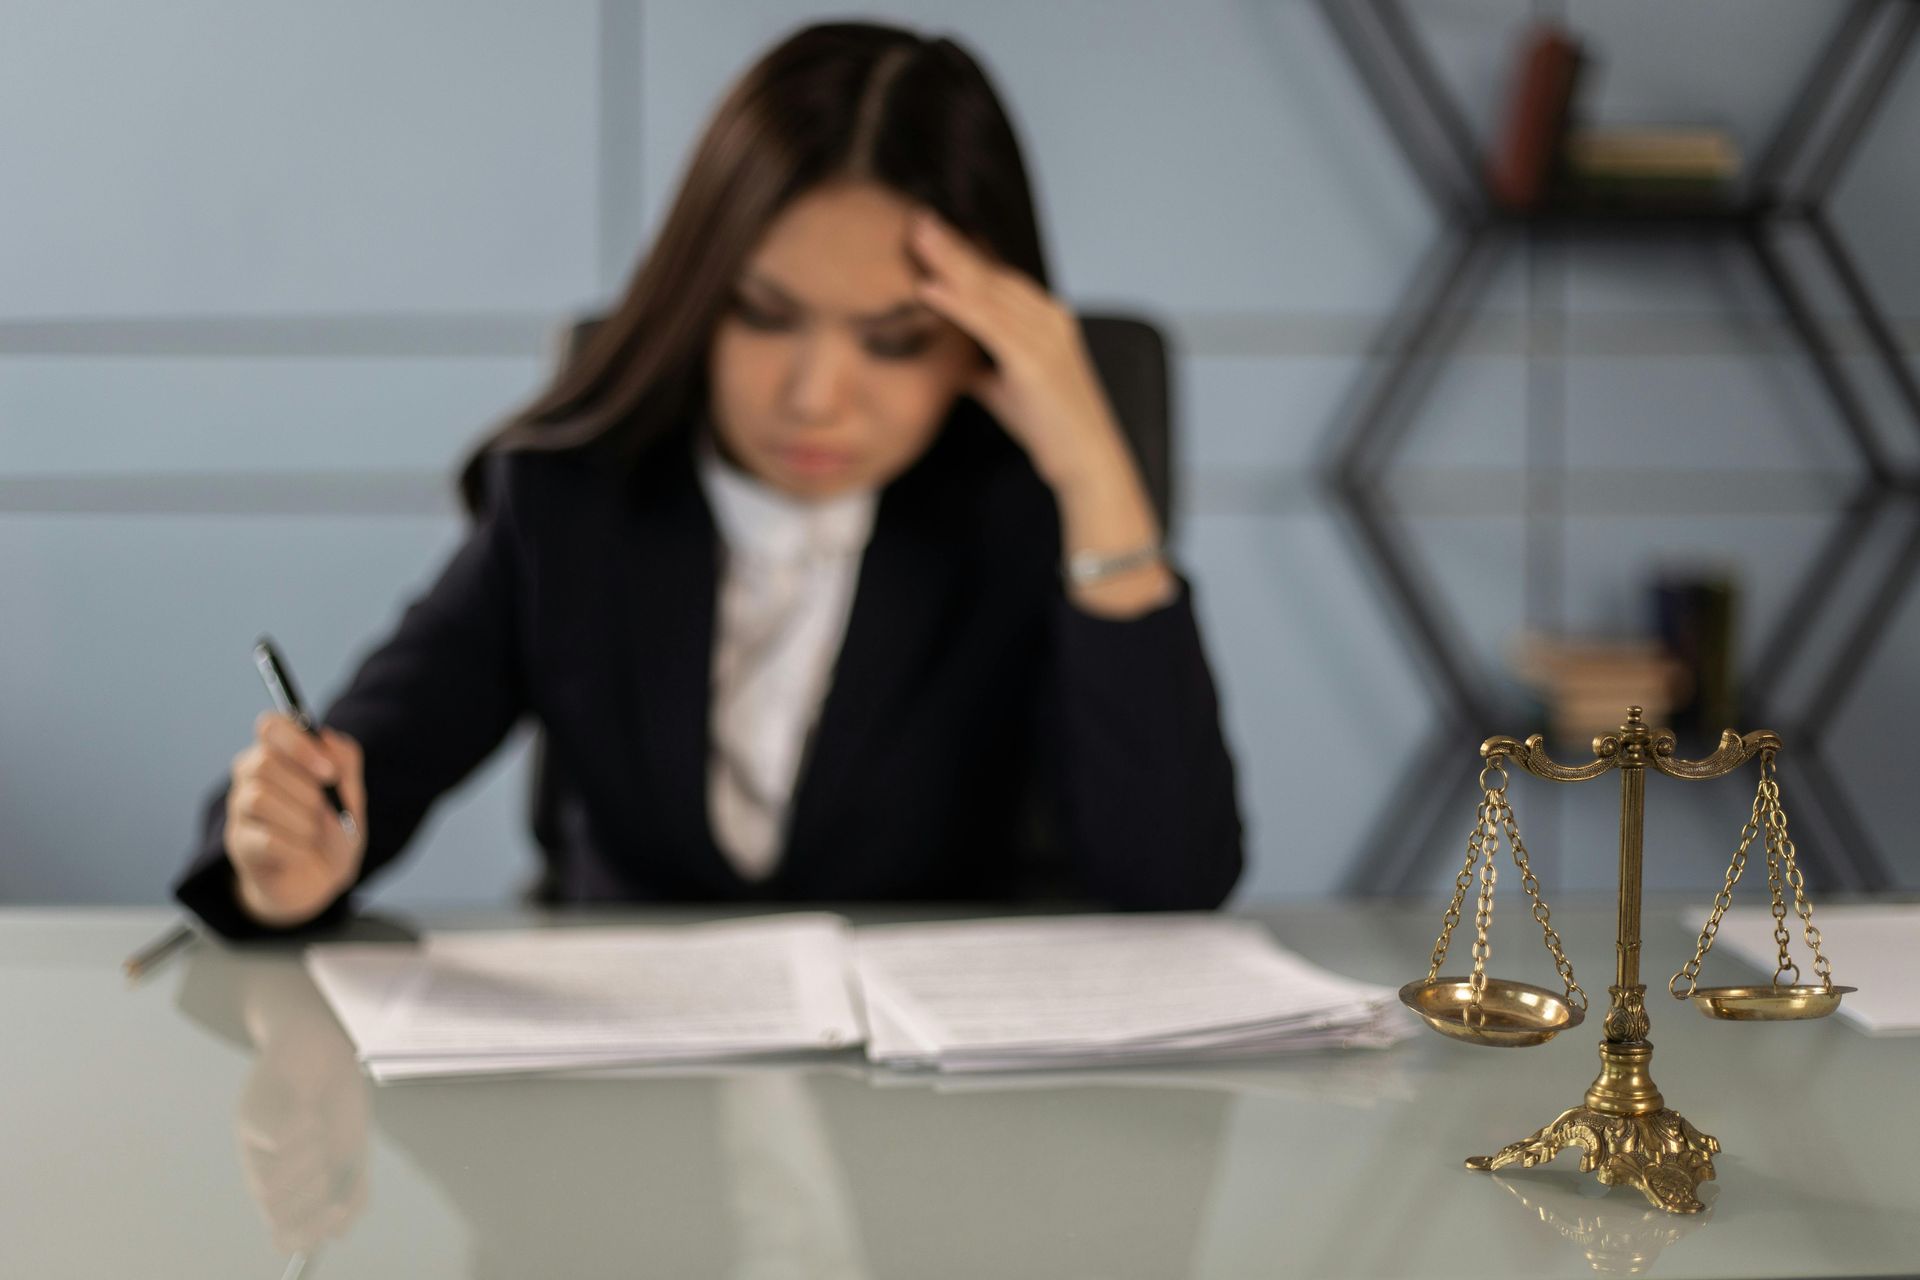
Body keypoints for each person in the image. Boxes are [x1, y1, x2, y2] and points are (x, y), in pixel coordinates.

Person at [174, 20, 1243, 938]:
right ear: (697, 294)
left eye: (895, 339)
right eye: (766, 316)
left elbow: (1171, 885)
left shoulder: (1021, 516)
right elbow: (352, 776)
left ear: (979, 343)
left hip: (937, 1133)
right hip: (638, 1112)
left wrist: (1095, 470)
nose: (817, 396)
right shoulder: (570, 501)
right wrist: (285, 866)